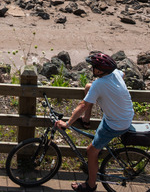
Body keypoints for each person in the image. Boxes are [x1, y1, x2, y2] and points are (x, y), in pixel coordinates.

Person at [56, 53, 134, 192]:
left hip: (115, 123)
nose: (92, 69)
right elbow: (122, 76)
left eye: (93, 67)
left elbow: (83, 105)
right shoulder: (115, 73)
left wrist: (67, 124)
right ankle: (86, 120)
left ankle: (90, 185)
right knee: (88, 87)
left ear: (99, 70)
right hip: (125, 116)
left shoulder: (99, 84)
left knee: (91, 151)